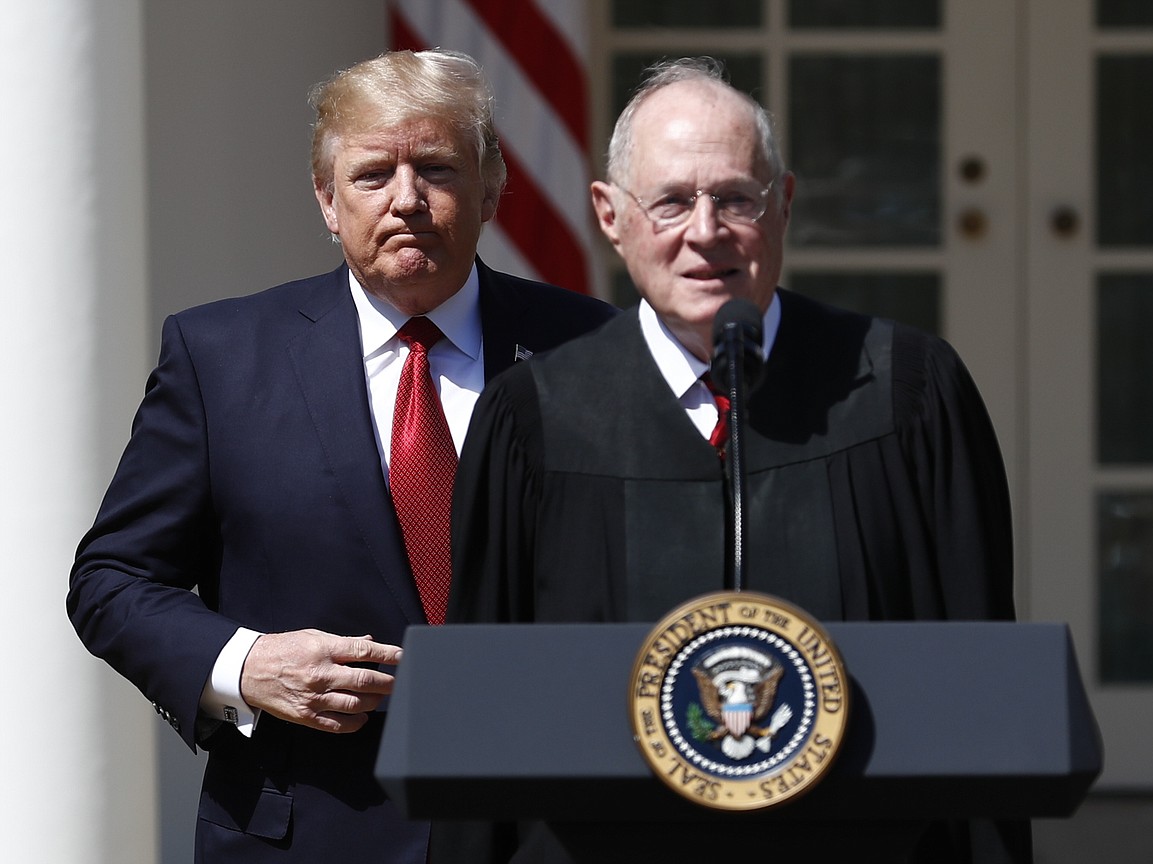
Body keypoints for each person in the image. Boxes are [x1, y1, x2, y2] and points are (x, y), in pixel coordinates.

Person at [446, 58, 1030, 862]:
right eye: (672, 201)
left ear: (783, 204)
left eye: (735, 198)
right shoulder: (534, 419)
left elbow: (983, 684)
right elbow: (483, 714)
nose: (705, 231)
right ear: (610, 216)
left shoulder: (907, 394)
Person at [67, 49, 615, 863]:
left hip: (544, 832)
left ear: (492, 189)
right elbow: (112, 580)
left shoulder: (592, 349)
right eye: (372, 175)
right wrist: (246, 663)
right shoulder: (221, 357)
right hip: (303, 830)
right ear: (326, 199)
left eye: (437, 168)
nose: (407, 200)